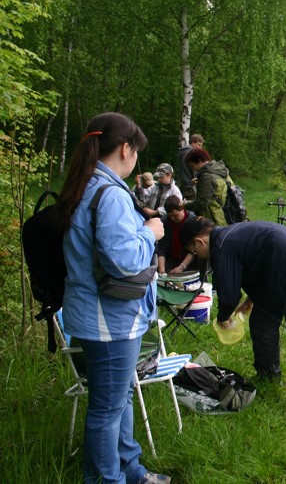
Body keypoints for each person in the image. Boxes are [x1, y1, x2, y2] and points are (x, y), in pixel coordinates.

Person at [55, 112, 169, 484]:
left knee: (119, 398)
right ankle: (107, 479)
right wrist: (150, 232)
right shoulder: (110, 194)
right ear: (125, 149)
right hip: (108, 320)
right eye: (136, 151)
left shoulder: (86, 184)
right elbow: (123, 261)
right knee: (106, 408)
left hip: (98, 314)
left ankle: (130, 470)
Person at [179, 216, 286, 409]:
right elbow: (261, 263)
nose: (198, 256)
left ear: (199, 241)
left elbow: (229, 294)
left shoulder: (221, 246)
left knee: (262, 324)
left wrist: (223, 317)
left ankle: (268, 376)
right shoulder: (232, 234)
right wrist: (250, 300)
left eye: (194, 251)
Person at [183, 148, 230, 225]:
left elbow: (201, 203)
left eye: (192, 165)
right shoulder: (217, 171)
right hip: (220, 215)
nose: (193, 169)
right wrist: (200, 182)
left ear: (199, 161)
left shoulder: (207, 177)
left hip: (212, 219)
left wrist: (184, 205)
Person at [157, 195, 198, 275]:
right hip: (171, 259)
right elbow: (161, 248)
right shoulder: (165, 222)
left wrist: (182, 267)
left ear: (182, 209)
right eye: (170, 216)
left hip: (190, 261)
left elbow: (195, 248)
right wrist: (162, 272)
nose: (173, 219)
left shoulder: (193, 221)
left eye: (175, 215)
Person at [177, 133, 204, 198]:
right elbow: (195, 170)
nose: (200, 148)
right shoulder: (192, 154)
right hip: (190, 186)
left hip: (182, 184)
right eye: (199, 145)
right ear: (193, 143)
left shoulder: (183, 152)